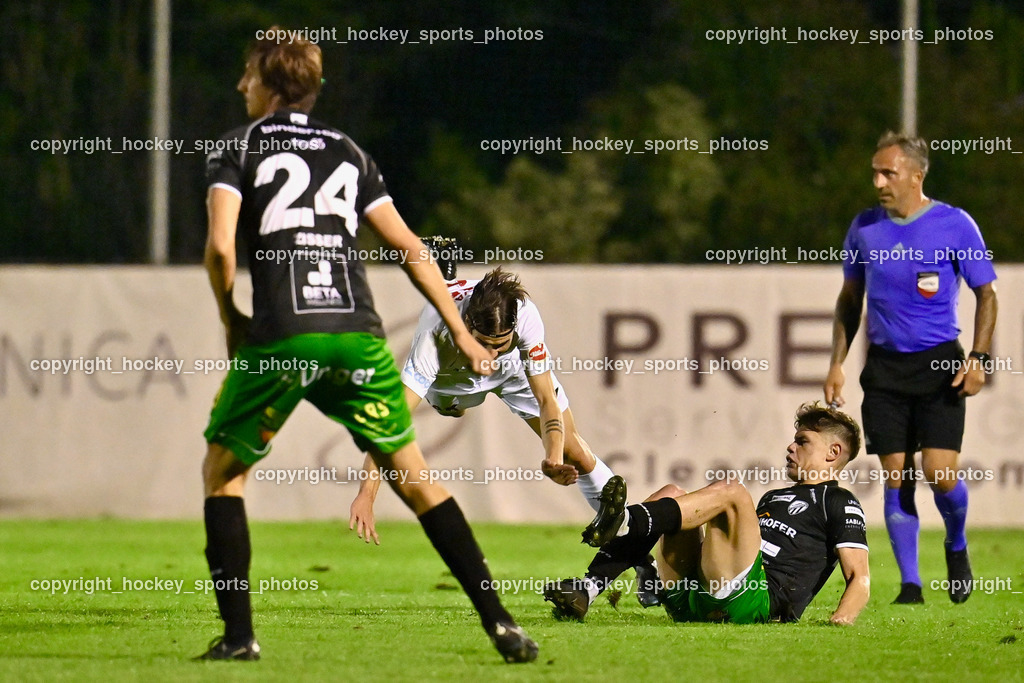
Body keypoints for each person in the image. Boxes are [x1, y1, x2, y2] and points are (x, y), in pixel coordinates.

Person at [197, 28, 537, 663]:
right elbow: (410, 248)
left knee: (224, 473)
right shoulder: (350, 152)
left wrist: (230, 321)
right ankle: (501, 624)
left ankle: (240, 638)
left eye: (248, 75)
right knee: (416, 479)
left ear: (270, 85)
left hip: (285, 339)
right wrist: (460, 328)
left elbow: (219, 248)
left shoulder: (239, 146)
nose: (241, 86)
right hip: (357, 335)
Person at [347, 262, 661, 607]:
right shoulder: (434, 334)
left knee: (577, 453)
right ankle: (444, 272)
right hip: (451, 378)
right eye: (484, 344)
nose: (492, 355)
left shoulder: (525, 317)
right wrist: (367, 493)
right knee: (452, 409)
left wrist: (553, 458)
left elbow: (546, 400)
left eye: (501, 344)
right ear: (466, 325)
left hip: (514, 376)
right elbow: (391, 422)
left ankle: (641, 555)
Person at [823, 131, 997, 605]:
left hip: (940, 363)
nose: (878, 181)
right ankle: (911, 585)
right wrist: (837, 362)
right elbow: (849, 298)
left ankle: (956, 542)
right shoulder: (864, 227)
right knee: (896, 477)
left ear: (916, 175)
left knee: (941, 474)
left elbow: (987, 294)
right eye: (875, 172)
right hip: (883, 370)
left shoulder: (955, 224)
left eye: (888, 172)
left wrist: (979, 358)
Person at [544, 403, 870, 625]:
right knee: (672, 493)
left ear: (833, 452)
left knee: (732, 492)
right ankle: (587, 589)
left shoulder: (839, 501)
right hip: (698, 596)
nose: (790, 447)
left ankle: (628, 525)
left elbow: (859, 577)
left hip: (754, 602)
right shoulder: (775, 496)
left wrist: (842, 618)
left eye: (802, 442)